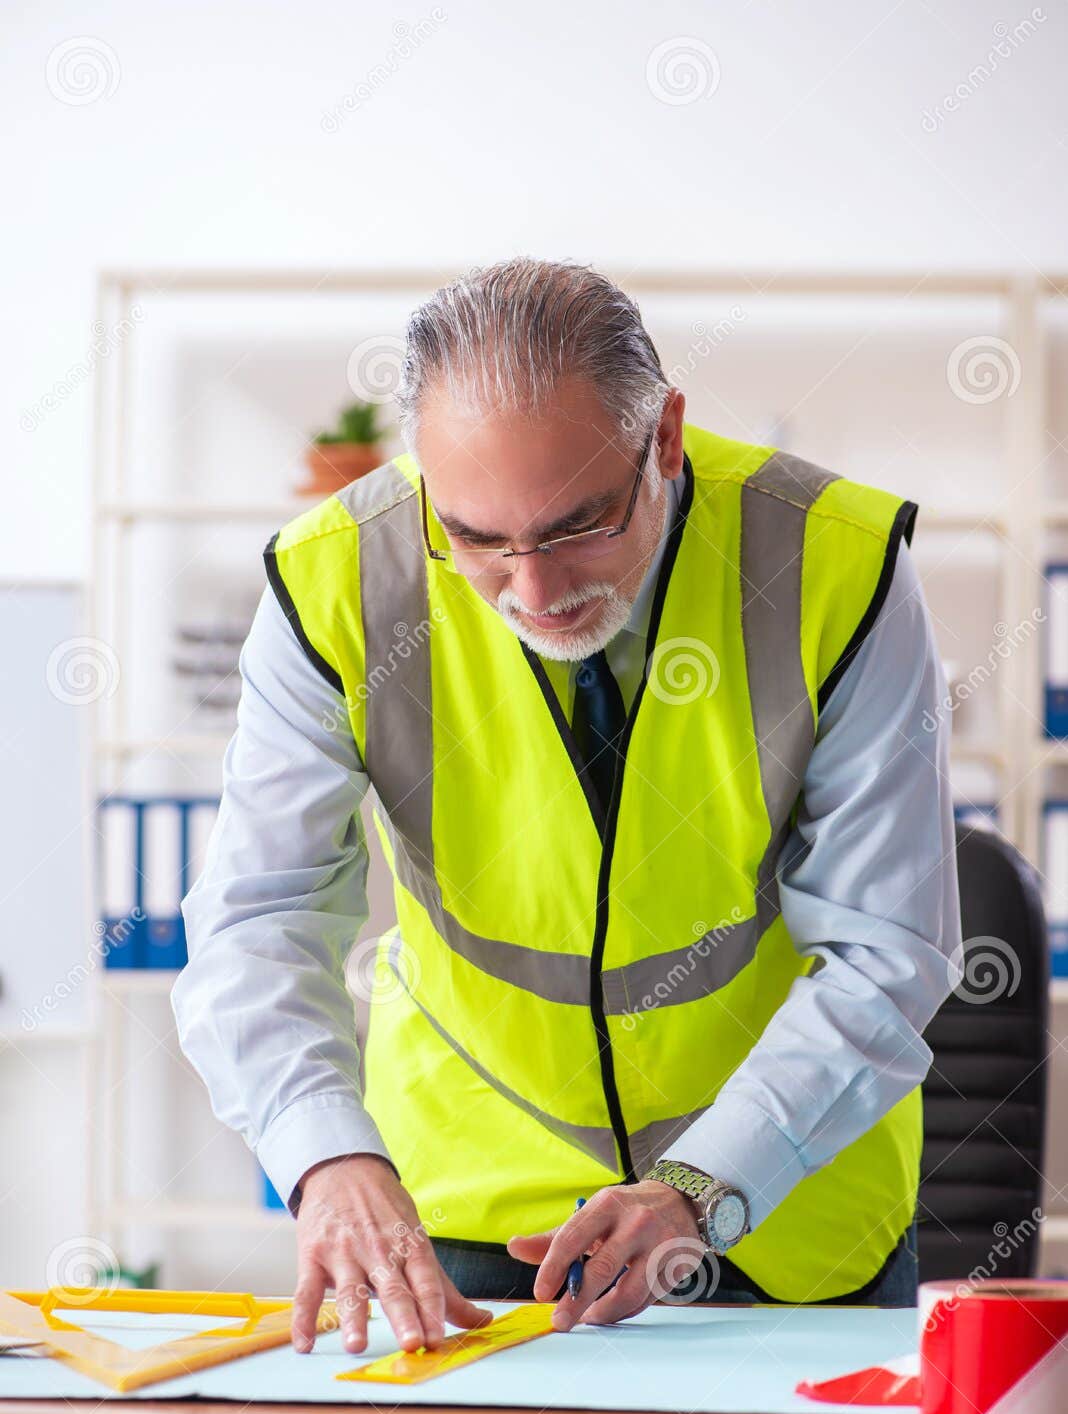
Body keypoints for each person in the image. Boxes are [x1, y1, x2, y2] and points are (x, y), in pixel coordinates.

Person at [173, 257, 962, 1356]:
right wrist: (325, 1156)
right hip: (472, 1206)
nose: (534, 592)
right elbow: (259, 918)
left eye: (579, 525)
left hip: (783, 1205)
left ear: (665, 438)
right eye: (478, 538)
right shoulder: (336, 582)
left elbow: (888, 950)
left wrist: (703, 1183)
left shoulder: (837, 563)